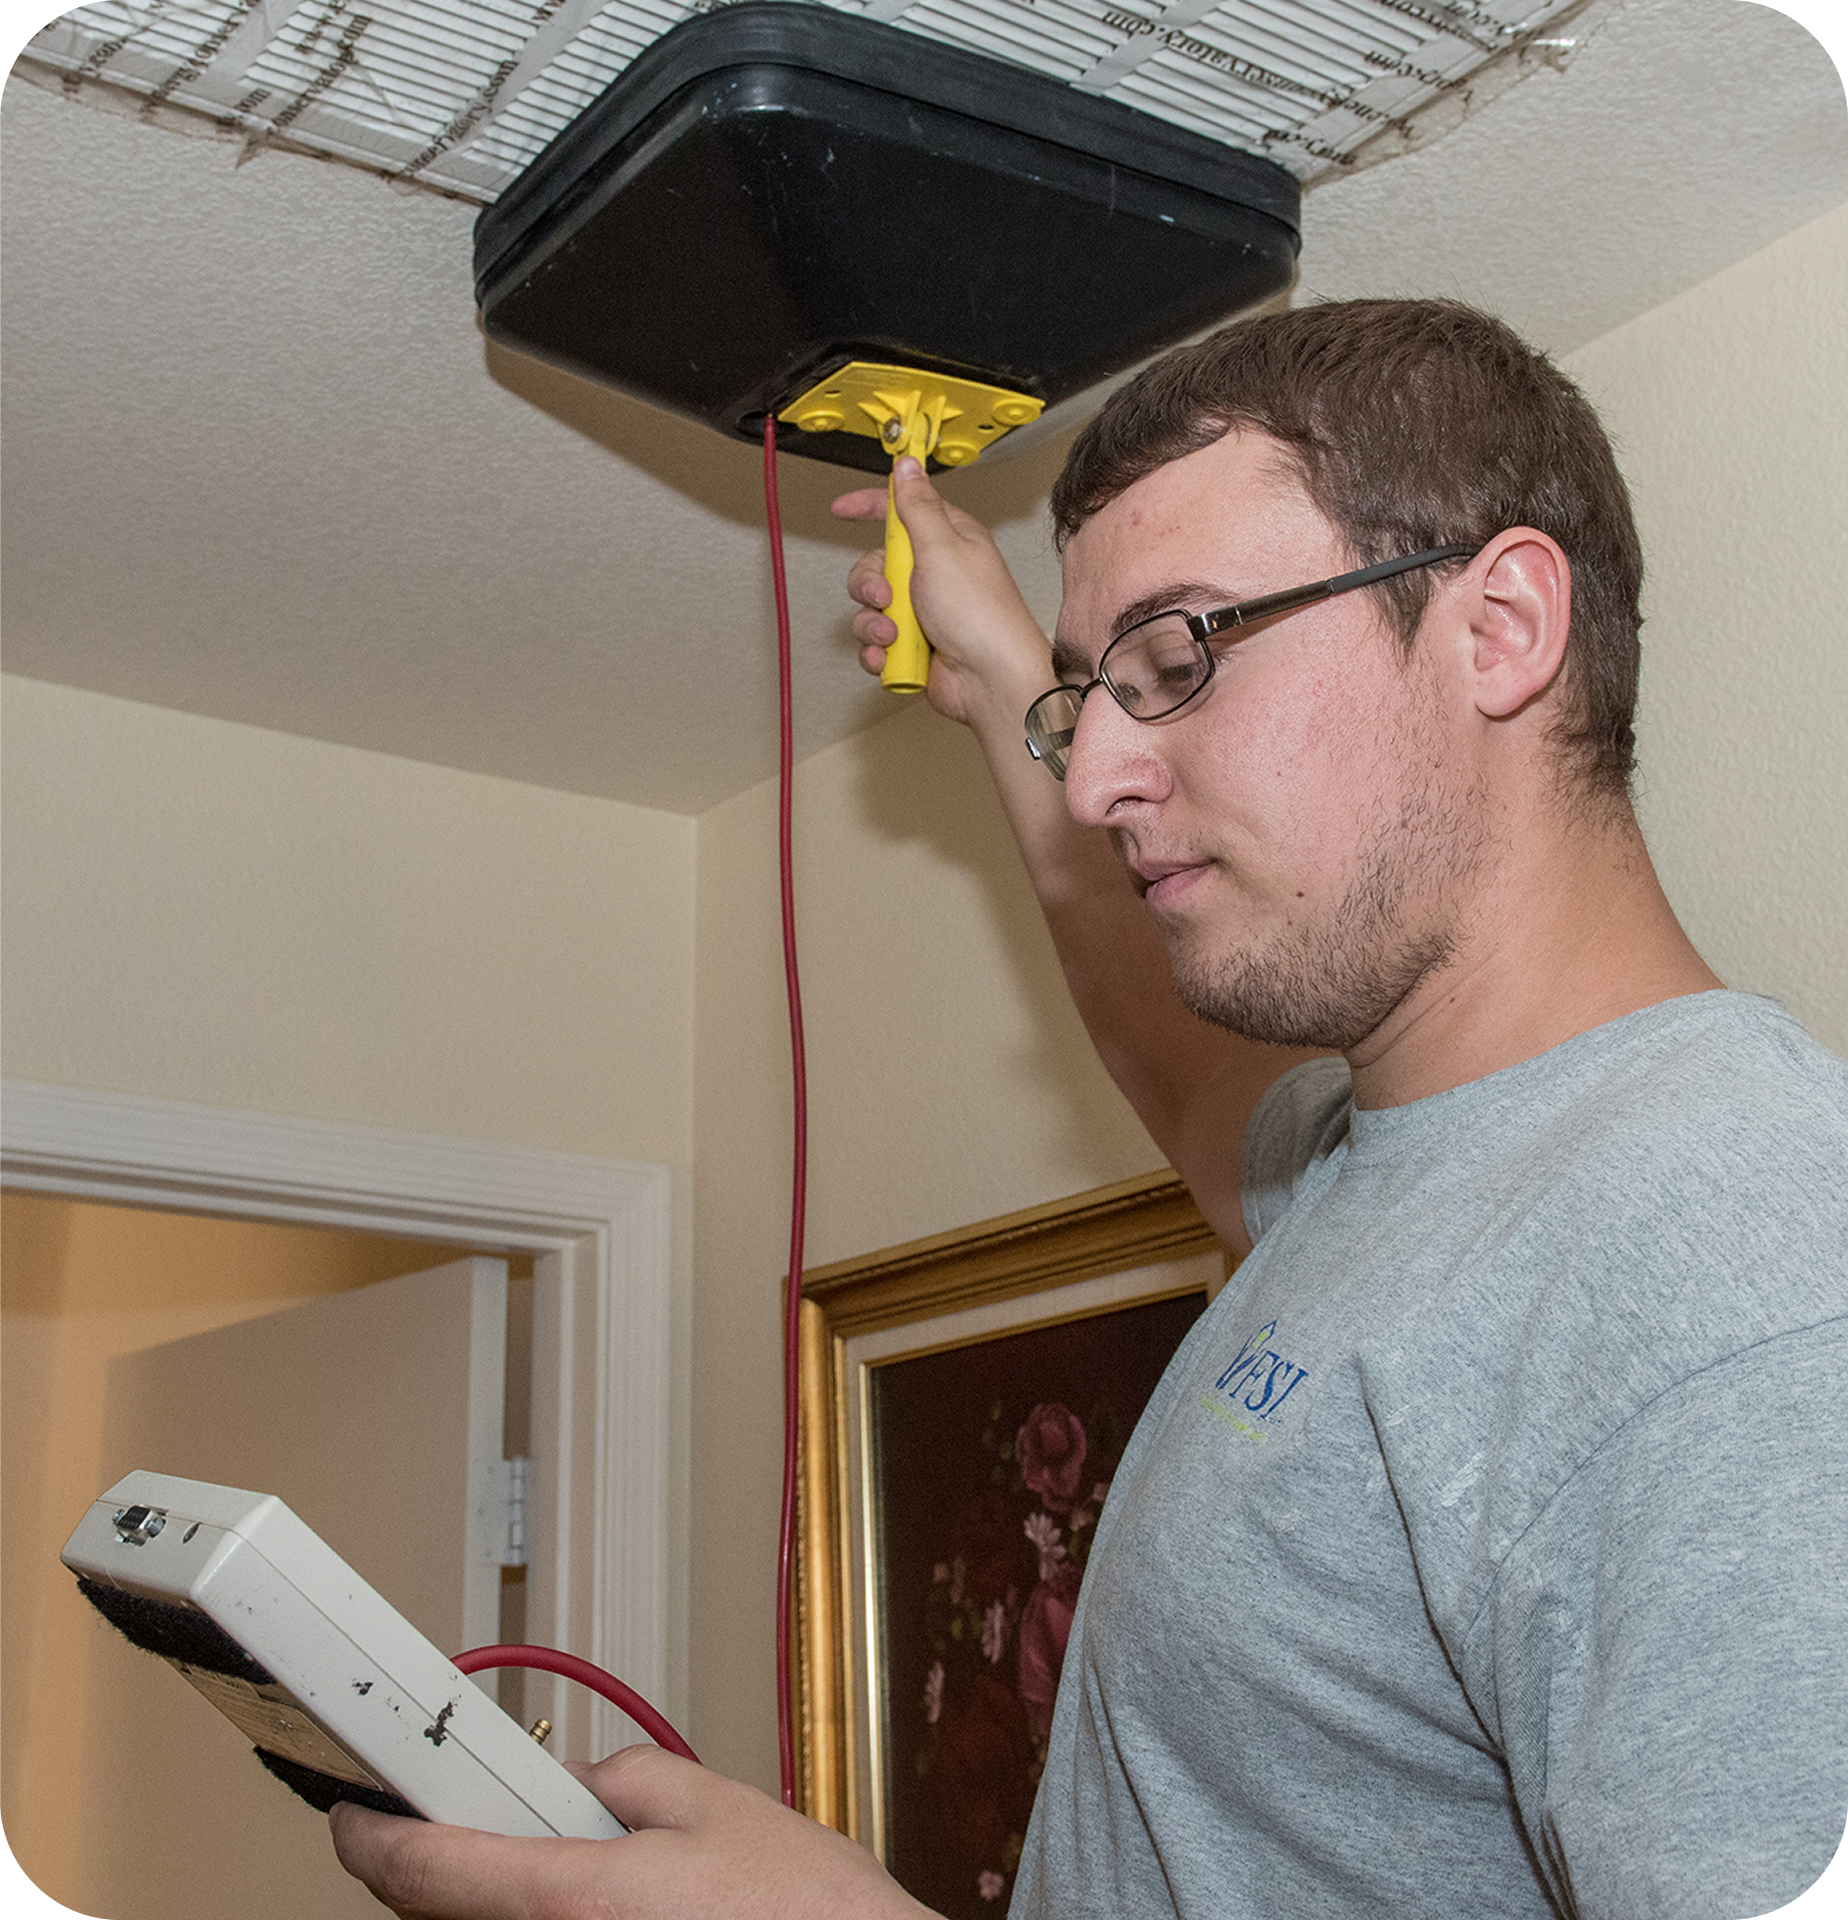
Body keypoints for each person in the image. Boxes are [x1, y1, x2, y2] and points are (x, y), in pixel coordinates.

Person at [332, 299, 1847, 1918]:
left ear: (1499, 629)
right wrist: (1002, 681)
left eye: (1179, 659)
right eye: (1093, 697)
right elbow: (1184, 1079)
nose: (1097, 775)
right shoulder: (1386, 1159)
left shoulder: (1734, 1257)